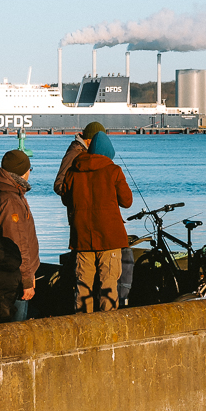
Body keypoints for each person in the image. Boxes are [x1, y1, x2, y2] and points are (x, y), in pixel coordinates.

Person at [62, 129, 132, 312]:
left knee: (83, 284)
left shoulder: (73, 171)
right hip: (109, 238)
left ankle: (83, 327)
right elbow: (127, 201)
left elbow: (65, 199)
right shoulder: (113, 171)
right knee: (108, 284)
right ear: (109, 154)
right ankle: (108, 329)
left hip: (82, 236)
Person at [0, 149, 39, 321]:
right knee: (15, 326)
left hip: (9, 273)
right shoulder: (10, 200)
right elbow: (18, 243)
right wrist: (26, 280)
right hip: (14, 277)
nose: (30, 172)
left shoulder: (7, 192)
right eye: (30, 168)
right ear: (23, 172)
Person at [54, 122, 104, 204]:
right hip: (79, 208)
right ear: (89, 140)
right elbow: (59, 184)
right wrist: (77, 199)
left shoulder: (88, 152)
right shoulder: (74, 153)